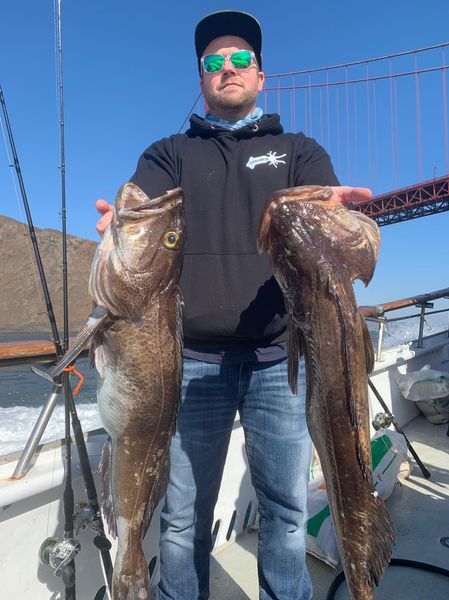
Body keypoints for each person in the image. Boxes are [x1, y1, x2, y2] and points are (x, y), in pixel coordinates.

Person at [96, 10, 372, 600]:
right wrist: (121, 232)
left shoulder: (299, 150)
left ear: (261, 75)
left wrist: (340, 225)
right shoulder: (168, 154)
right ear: (200, 78)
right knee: (180, 520)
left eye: (239, 59)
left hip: (282, 359)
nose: (227, 69)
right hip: (188, 362)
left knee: (287, 511)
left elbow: (325, 227)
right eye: (213, 62)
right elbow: (143, 217)